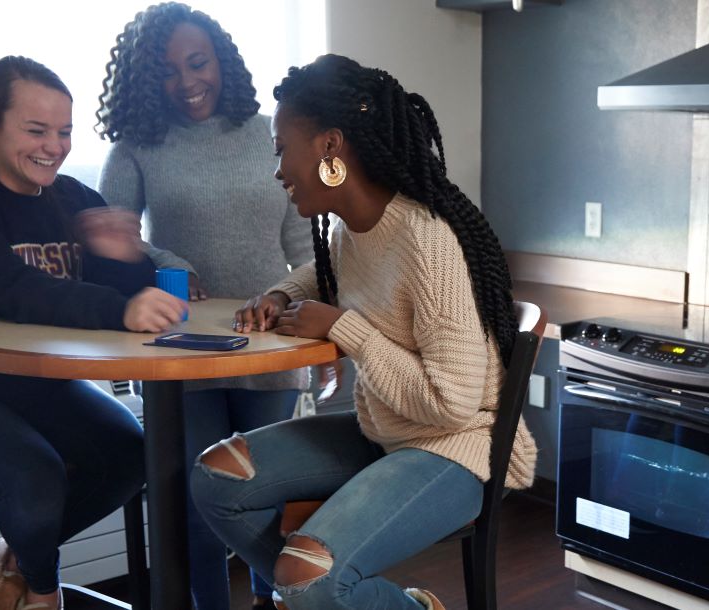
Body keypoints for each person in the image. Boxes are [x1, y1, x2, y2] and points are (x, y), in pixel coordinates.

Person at [189, 54, 537, 610]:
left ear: (329, 146)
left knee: (310, 576)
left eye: (281, 150)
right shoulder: (356, 230)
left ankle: (341, 597)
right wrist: (281, 294)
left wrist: (348, 331)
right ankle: (312, 596)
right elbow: (324, 272)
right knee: (217, 476)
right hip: (387, 432)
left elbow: (451, 403)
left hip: (455, 447)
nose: (278, 170)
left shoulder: (427, 242)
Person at [0, 56, 186, 610]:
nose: (53, 146)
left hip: (40, 390)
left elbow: (134, 293)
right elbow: (7, 290)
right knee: (37, 473)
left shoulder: (73, 198)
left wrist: (124, 258)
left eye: (65, 131)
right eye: (36, 130)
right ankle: (42, 595)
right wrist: (120, 304)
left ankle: (20, 560)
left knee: (131, 455)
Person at [95, 5, 312, 609]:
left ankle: (277, 603)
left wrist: (310, 313)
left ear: (222, 62)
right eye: (168, 71)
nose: (188, 82)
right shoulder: (137, 146)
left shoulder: (273, 132)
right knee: (200, 498)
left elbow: (302, 249)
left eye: (198, 63)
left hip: (270, 342)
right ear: (145, 79)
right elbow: (115, 244)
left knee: (265, 497)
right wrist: (166, 257)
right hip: (179, 352)